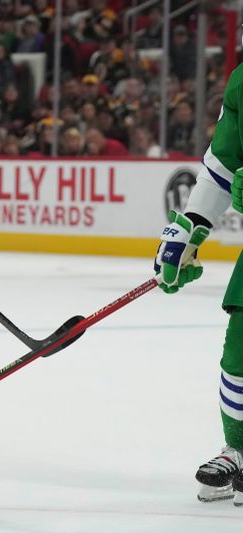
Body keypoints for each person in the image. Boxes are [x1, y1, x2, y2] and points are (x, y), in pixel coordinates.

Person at [153, 61, 243, 506]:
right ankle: (240, 450)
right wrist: (191, 224)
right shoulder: (242, 81)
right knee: (240, 349)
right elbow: (224, 161)